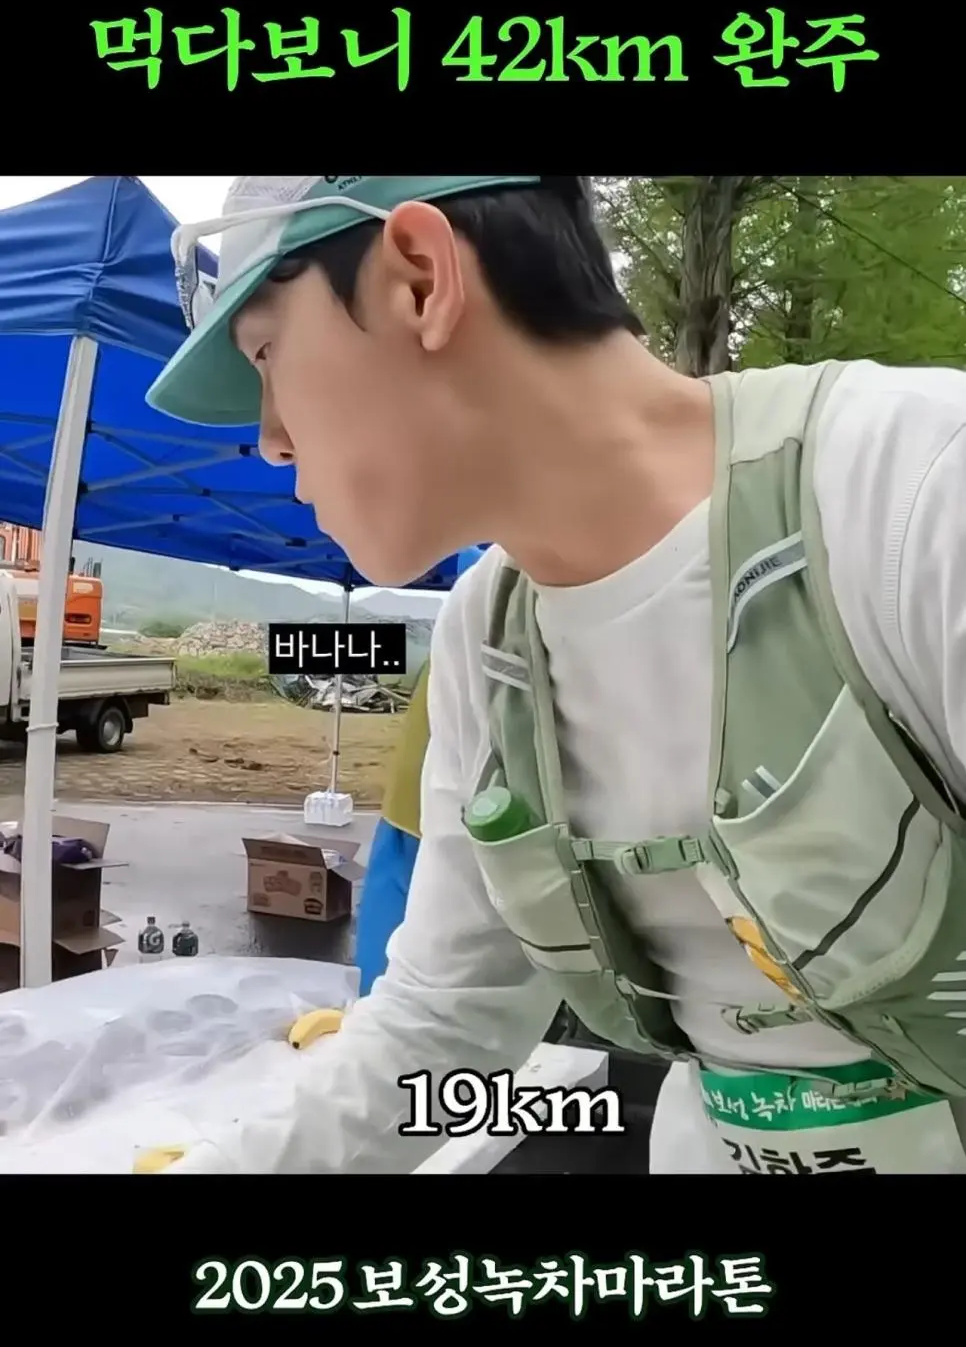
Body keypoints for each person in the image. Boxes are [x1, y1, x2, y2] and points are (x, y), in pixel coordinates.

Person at [146, 175, 966, 1175]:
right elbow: (440, 1027)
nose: (271, 438)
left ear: (419, 279)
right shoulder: (489, 640)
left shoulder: (912, 495)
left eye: (266, 355)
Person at [355, 545, 484, 995]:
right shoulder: (489, 631)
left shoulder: (457, 635)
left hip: (414, 811)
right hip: (431, 816)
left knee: (396, 933)